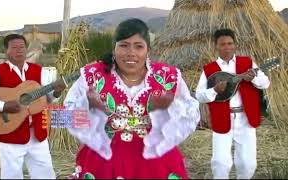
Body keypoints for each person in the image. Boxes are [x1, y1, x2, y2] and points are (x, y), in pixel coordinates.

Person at [64, 18, 200, 179]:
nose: (131, 53)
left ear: (148, 50)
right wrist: (88, 105)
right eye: (123, 45)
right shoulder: (92, 76)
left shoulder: (167, 77)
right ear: (114, 49)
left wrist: (171, 107)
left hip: (156, 164)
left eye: (139, 46)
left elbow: (193, 115)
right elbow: (65, 118)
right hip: (103, 164)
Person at [0, 34, 66, 179]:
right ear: (6, 51)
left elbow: (46, 99)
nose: (19, 50)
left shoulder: (39, 71)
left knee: (46, 175)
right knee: (11, 176)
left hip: (38, 134)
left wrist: (57, 92)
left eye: (21, 47)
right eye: (14, 47)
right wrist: (3, 106)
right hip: (11, 133)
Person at [195, 29, 270, 179]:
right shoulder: (209, 69)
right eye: (222, 44)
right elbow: (199, 95)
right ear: (215, 46)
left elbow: (265, 83)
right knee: (220, 163)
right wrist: (214, 90)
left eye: (230, 43)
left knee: (248, 164)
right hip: (222, 117)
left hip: (245, 118)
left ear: (235, 45)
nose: (227, 47)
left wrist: (253, 79)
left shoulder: (247, 63)